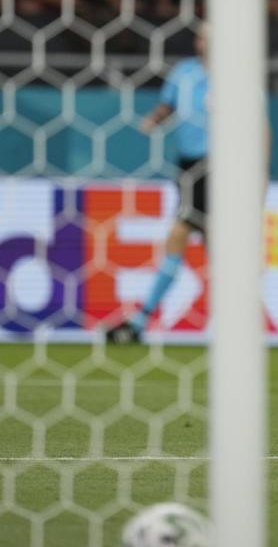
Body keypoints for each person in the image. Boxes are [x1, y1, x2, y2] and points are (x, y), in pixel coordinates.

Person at [107, 23, 212, 344]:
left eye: (208, 36)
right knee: (216, 247)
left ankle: (139, 322)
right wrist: (155, 119)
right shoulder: (184, 71)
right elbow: (169, 105)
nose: (202, 41)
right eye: (201, 35)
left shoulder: (236, 73)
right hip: (187, 164)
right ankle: (242, 319)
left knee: (179, 234)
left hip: (218, 164)